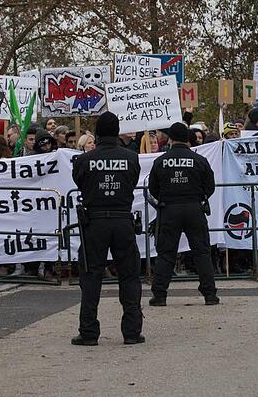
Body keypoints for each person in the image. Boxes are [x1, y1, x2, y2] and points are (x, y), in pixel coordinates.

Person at [70, 112, 143, 345]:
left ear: (98, 133)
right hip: (122, 220)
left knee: (91, 277)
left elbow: (79, 182)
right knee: (129, 275)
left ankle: (89, 332)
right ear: (117, 131)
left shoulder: (84, 160)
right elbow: (132, 181)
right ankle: (132, 332)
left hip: (95, 222)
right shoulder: (131, 158)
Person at [148, 122, 218, 306]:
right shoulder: (199, 160)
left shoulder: (160, 161)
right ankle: (210, 294)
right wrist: (198, 197)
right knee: (202, 252)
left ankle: (160, 294)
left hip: (169, 209)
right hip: (194, 208)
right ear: (188, 139)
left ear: (170, 138)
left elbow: (152, 188)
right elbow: (210, 186)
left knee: (166, 253)